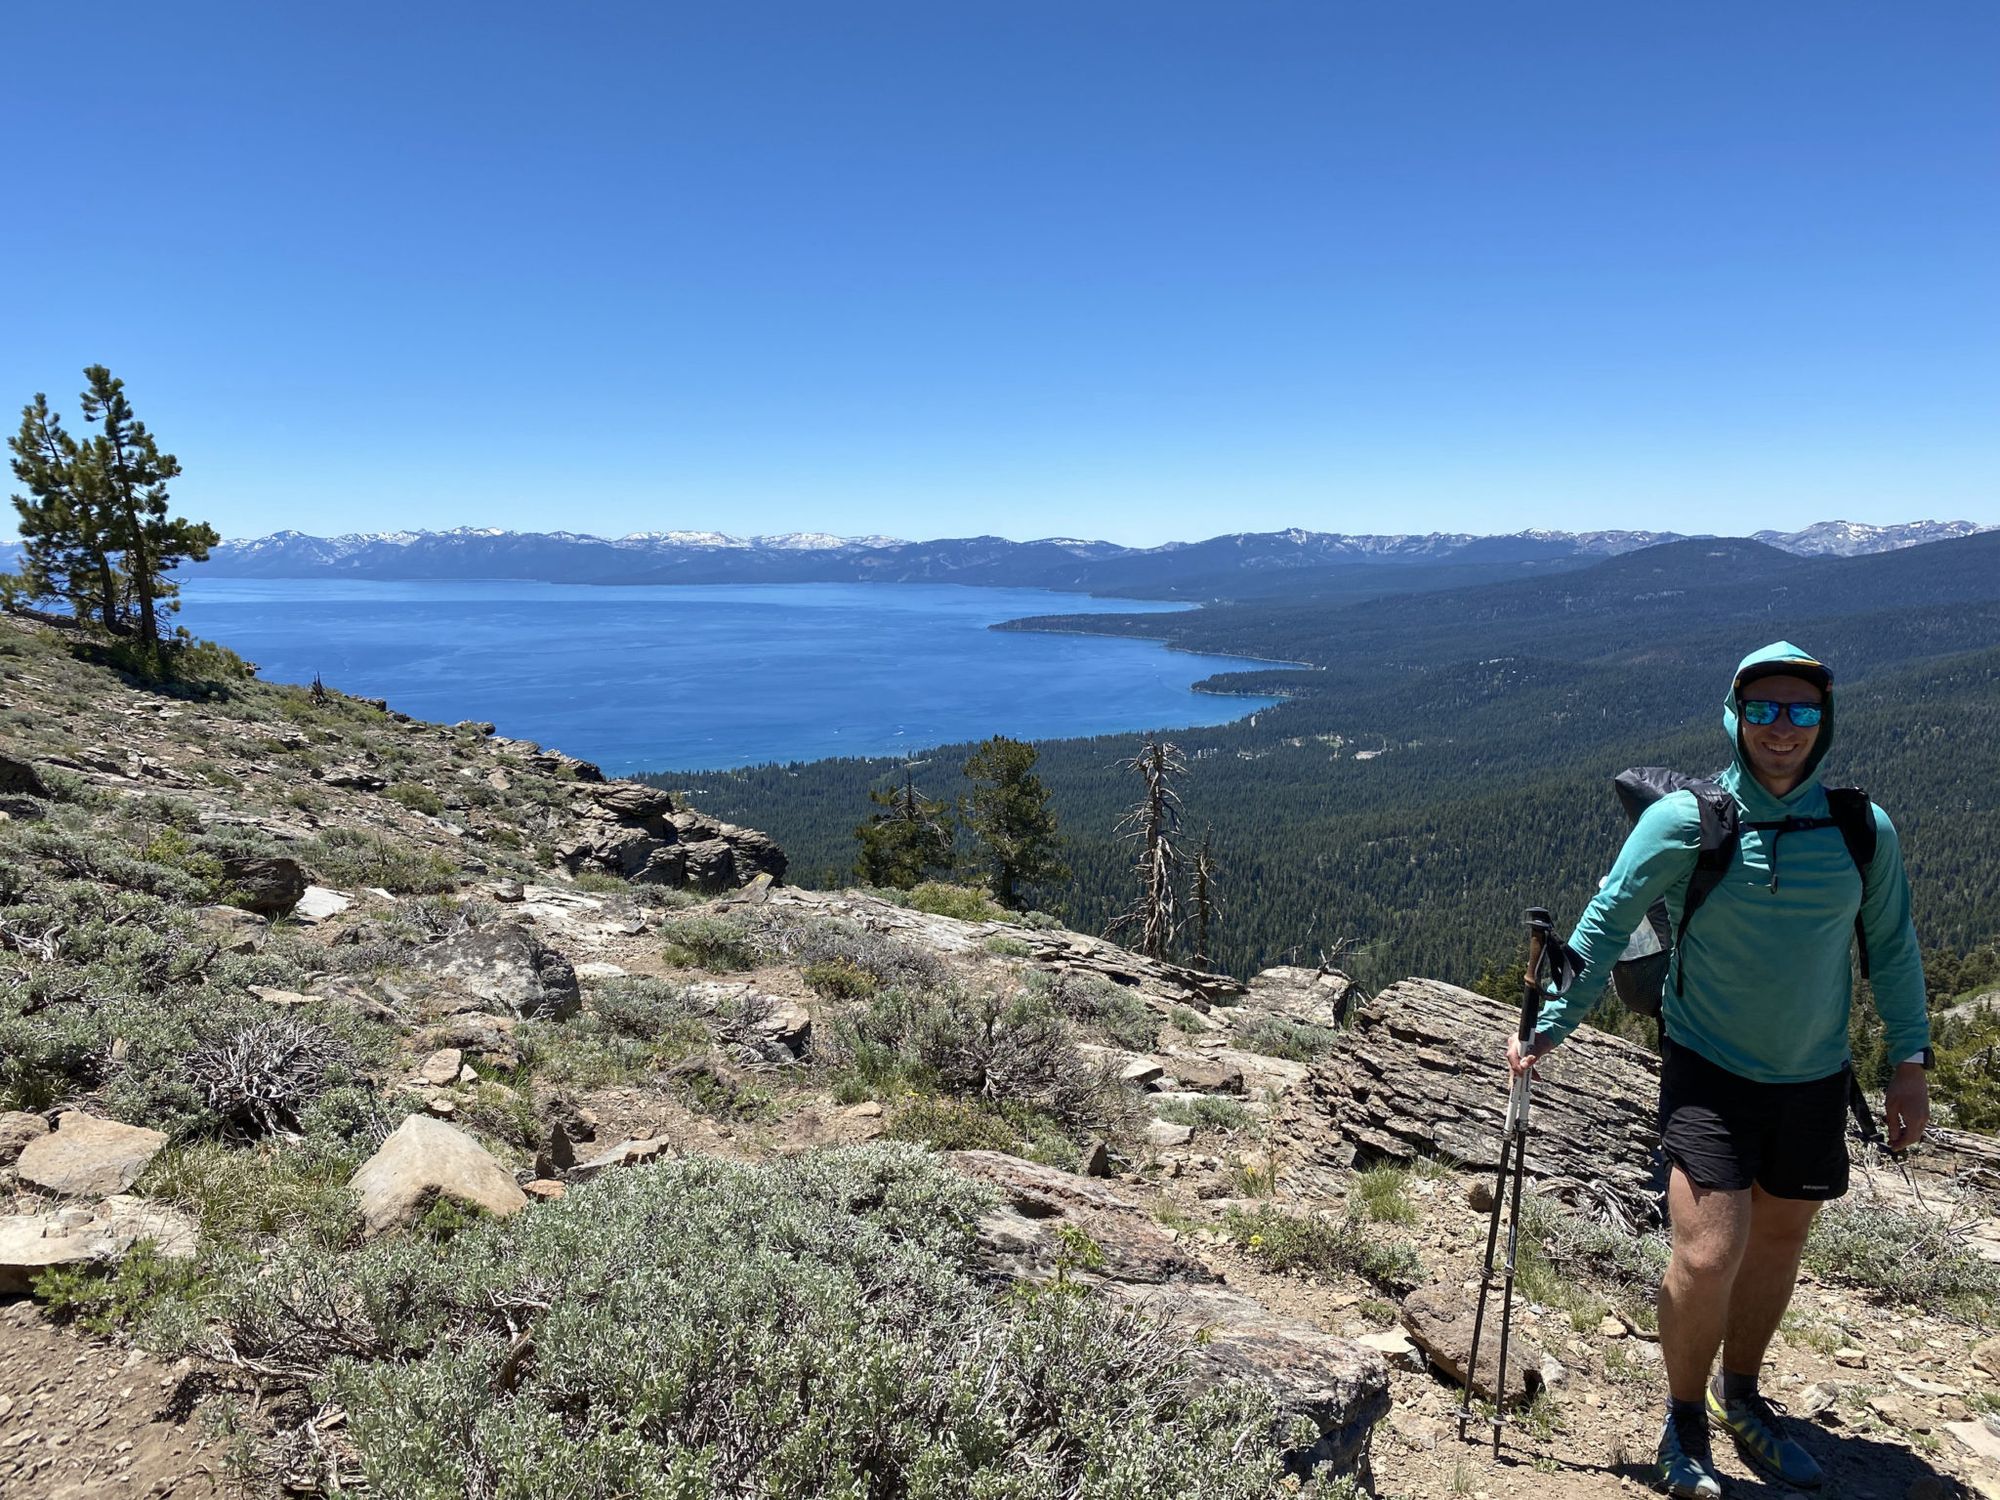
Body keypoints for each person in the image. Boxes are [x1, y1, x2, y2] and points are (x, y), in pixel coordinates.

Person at [1508, 641, 1932, 1499]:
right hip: (1708, 1067)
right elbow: (1601, 922)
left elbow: (1892, 948)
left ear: (1825, 722)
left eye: (1802, 712)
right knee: (1708, 1255)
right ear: (1734, 717)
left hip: (1815, 1076)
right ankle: (1685, 1416)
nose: (1783, 729)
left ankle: (1745, 1396)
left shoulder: (1859, 829)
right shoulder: (1686, 822)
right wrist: (1549, 1027)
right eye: (1765, 710)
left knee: (1779, 1242)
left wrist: (1910, 1062)